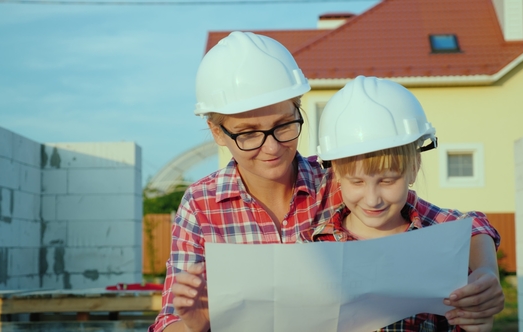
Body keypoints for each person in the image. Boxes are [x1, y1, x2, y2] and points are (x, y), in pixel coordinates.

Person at [149, 32, 503, 332]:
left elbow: (465, 225)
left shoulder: (339, 180)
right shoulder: (201, 205)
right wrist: (197, 323)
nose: (271, 147)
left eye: (284, 125)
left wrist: (486, 271)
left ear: (298, 107)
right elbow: (168, 321)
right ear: (217, 132)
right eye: (248, 134)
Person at [309, 75, 504, 331]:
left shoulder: (438, 244)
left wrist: (486, 276)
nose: (372, 198)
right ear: (336, 175)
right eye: (356, 182)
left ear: (413, 169)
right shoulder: (314, 248)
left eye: (388, 181)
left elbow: (471, 225)